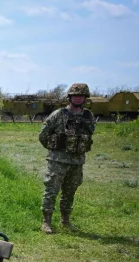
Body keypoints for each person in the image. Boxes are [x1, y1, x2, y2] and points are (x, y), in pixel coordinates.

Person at [38, 83, 95, 233]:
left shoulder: (88, 116)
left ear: (85, 98)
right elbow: (43, 134)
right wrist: (54, 149)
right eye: (75, 96)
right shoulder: (58, 114)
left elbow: (89, 135)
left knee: (70, 191)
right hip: (57, 161)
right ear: (69, 97)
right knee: (51, 190)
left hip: (77, 162)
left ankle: (65, 221)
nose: (77, 98)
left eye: (81, 96)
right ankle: (46, 222)